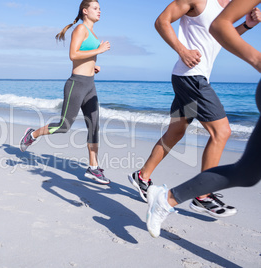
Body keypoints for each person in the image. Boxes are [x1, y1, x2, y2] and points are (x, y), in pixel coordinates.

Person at [128, 0, 258, 217]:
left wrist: (247, 25)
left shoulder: (227, 8)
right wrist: (182, 50)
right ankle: (203, 195)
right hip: (191, 77)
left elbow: (221, 40)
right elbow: (161, 21)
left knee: (175, 133)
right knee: (222, 131)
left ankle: (141, 176)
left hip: (189, 78)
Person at [19, 0, 111, 184]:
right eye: (95, 8)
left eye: (99, 8)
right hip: (76, 84)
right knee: (64, 126)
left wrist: (94, 65)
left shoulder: (92, 32)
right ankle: (33, 134)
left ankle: (93, 167)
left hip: (90, 84)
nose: (99, 11)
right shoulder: (80, 29)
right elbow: (73, 54)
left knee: (94, 125)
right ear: (85, 11)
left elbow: (84, 56)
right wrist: (99, 49)